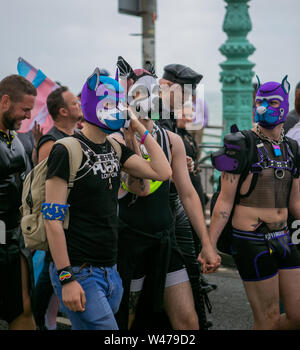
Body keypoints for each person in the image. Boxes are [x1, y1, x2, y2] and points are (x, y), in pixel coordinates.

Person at [44, 68, 172, 330]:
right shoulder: (66, 150)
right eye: (110, 103)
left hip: (110, 270)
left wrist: (138, 127)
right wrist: (66, 278)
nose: (117, 110)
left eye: (119, 104)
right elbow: (52, 220)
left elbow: (163, 171)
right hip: (80, 271)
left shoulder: (114, 148)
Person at [115, 57, 220, 331]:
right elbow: (142, 187)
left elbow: (188, 194)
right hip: (130, 244)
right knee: (127, 320)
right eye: (138, 94)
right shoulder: (115, 140)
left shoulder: (170, 138)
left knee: (188, 322)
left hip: (164, 240)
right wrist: (134, 134)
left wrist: (207, 244)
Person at [209, 75, 300, 330]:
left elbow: (296, 204)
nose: (263, 107)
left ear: (282, 105)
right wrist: (209, 245)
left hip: (284, 236)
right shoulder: (241, 144)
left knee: (296, 316)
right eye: (260, 101)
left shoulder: (293, 148)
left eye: (271, 102)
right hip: (251, 240)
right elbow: (224, 202)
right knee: (267, 319)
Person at [157, 63, 216, 328]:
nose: (188, 102)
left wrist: (183, 163)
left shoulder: (169, 116)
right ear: (166, 86)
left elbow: (187, 191)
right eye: (185, 95)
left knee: (190, 307)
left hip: (173, 210)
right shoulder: (144, 115)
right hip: (141, 224)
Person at [33, 86, 83, 330]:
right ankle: (39, 320)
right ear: (62, 111)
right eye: (75, 103)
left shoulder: (76, 136)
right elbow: (42, 187)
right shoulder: (52, 141)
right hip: (57, 220)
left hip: (75, 220)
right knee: (52, 270)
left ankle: (49, 319)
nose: (80, 105)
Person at [0, 74, 37, 330]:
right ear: (5, 101)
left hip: (15, 238)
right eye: (25, 109)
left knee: (23, 308)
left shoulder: (16, 138)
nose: (28, 116)